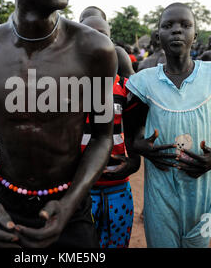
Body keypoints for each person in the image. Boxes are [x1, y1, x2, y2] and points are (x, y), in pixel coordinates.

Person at [0, 0, 116, 248]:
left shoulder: (95, 51)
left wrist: (70, 202)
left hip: (69, 207)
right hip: (3, 206)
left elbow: (101, 137)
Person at [124, 3, 211, 248]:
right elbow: (132, 130)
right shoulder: (144, 81)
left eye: (185, 25)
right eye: (168, 25)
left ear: (195, 35)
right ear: (158, 36)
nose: (177, 31)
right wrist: (139, 146)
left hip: (203, 188)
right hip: (160, 189)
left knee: (200, 242)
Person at [81, 15, 141, 248]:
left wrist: (134, 162)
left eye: (102, 35)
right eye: (88, 34)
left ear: (111, 42)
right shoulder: (62, 88)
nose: (96, 40)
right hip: (79, 190)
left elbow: (135, 134)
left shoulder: (124, 88)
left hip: (118, 188)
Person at [79, 7, 134, 79]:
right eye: (84, 21)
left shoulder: (117, 54)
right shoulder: (72, 53)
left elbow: (133, 83)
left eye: (100, 33)